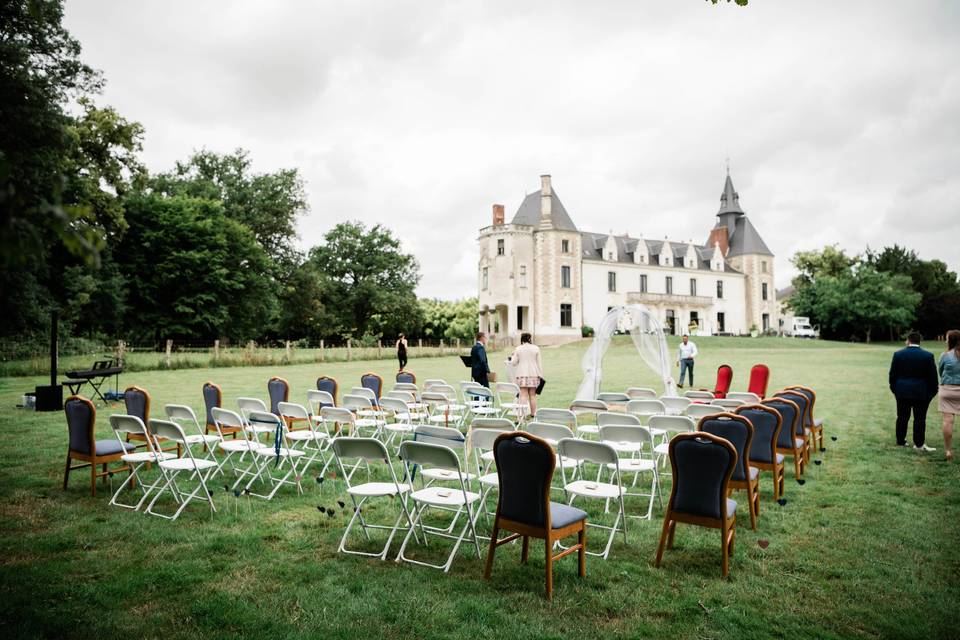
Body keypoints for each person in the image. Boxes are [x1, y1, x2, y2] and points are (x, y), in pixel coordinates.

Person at [889, 331, 939, 451]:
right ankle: (919, 444)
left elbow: (892, 375)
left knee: (902, 417)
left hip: (902, 391)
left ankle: (900, 441)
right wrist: (931, 393)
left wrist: (895, 389)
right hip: (921, 393)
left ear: (908, 341)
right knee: (920, 419)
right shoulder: (928, 356)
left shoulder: (898, 354)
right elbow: (933, 377)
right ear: (919, 341)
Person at [508, 332, 543, 417]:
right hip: (534, 374)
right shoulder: (536, 348)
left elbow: (513, 363)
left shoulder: (518, 349)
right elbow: (539, 364)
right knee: (533, 395)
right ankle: (533, 414)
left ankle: (522, 414)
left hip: (522, 374)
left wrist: (513, 356)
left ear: (522, 339)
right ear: (530, 339)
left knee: (523, 395)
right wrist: (541, 376)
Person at [939, 330, 960, 461]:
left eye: (947, 338)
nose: (945, 340)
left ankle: (948, 450)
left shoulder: (945, 355)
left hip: (947, 389)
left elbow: (940, 371)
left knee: (947, 421)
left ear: (950, 340)